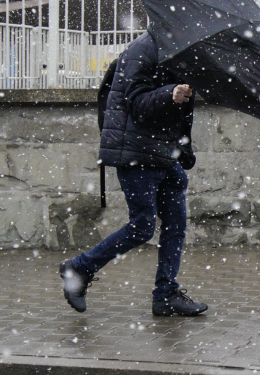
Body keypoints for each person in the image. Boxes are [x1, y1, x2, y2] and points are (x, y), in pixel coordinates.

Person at [59, 31, 208, 317]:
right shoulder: (143, 49)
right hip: (136, 153)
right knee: (142, 227)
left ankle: (165, 295)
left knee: (176, 224)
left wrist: (182, 142)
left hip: (165, 154)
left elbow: (176, 112)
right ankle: (77, 268)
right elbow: (137, 103)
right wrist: (171, 93)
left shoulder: (177, 50)